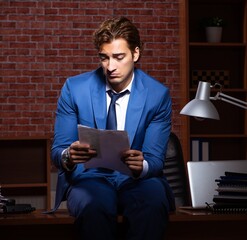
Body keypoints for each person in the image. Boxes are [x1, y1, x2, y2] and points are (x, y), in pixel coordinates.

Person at [51, 16, 175, 240]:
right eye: (104, 58)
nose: (110, 67)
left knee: (153, 204)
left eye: (119, 57)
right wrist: (69, 155)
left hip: (137, 180)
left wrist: (142, 165)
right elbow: (58, 151)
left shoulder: (158, 95)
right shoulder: (74, 89)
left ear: (135, 54)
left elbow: (156, 160)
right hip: (90, 177)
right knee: (93, 206)